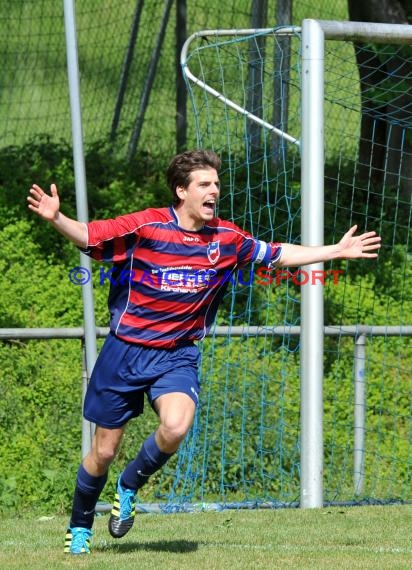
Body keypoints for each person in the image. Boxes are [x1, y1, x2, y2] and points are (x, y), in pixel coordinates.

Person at [27, 149, 381, 555]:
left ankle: (129, 485)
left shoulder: (227, 239)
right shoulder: (147, 226)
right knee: (103, 451)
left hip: (176, 354)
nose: (214, 190)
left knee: (176, 426)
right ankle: (80, 525)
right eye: (205, 184)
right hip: (125, 352)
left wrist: (334, 251)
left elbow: (278, 254)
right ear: (182, 190)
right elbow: (91, 236)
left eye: (216, 184)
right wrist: (56, 218)